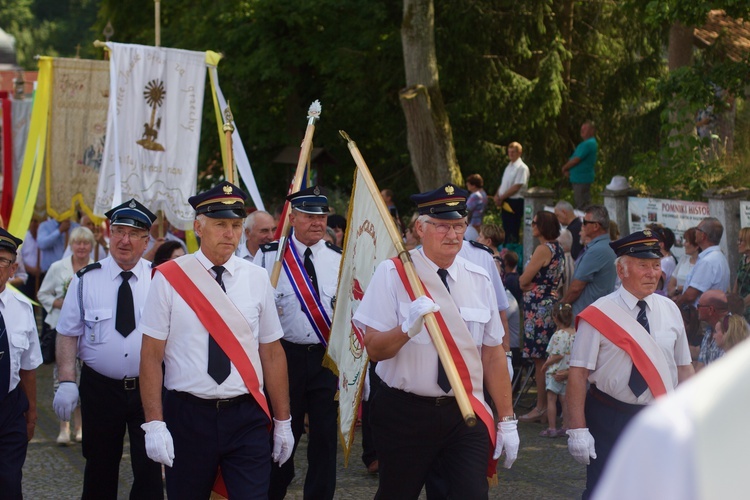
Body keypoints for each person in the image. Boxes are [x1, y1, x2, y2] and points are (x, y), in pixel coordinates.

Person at [353, 183, 519, 498]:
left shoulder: (479, 278)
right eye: (442, 226)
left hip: (463, 412)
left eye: (459, 225)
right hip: (405, 412)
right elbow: (373, 348)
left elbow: (493, 355)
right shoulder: (393, 274)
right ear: (420, 228)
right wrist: (407, 328)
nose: (453, 235)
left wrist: (507, 419)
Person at [138, 181, 292, 498]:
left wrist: (283, 420)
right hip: (187, 415)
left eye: (236, 225)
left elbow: (272, 353)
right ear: (198, 226)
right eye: (220, 224)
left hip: (246, 415)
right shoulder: (168, 278)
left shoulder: (257, 278)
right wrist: (154, 423)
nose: (230, 233)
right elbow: (151, 356)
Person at [566, 230, 694, 498]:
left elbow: (684, 368)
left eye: (656, 265)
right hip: (608, 416)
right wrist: (578, 429)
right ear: (621, 270)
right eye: (643, 265)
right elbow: (578, 375)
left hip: (658, 417)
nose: (652, 273)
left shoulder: (670, 309)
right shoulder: (598, 314)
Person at [53, 199, 163, 499]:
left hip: (149, 388)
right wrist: (66, 380)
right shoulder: (85, 280)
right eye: (118, 231)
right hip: (100, 388)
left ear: (146, 241)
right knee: (100, 466)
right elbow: (67, 334)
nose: (124, 240)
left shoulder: (160, 280)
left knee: (150, 467)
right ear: (108, 234)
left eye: (133, 234)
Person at [255, 186, 342, 500]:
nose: (318, 222)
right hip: (283, 356)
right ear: (292, 218)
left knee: (324, 437)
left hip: (324, 358)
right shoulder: (269, 257)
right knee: (281, 431)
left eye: (322, 216)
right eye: (309, 216)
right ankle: (273, 491)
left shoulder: (338, 260)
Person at [37, 226, 94, 445]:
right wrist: (61, 303)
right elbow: (43, 294)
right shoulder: (57, 267)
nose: (81, 247)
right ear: (71, 245)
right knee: (62, 378)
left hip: (89, 332)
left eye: (86, 243)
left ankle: (80, 427)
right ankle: (63, 427)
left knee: (84, 380)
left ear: (91, 246)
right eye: (77, 243)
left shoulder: (97, 268)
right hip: (62, 329)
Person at [0, 228, 42, 498]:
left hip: (10, 408)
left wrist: (33, 413)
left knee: (9, 483)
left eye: (2, 261)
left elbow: (27, 367)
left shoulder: (22, 308)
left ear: (13, 268)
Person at [518, 210, 564, 423]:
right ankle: (547, 407)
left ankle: (541, 408)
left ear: (542, 226)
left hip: (538, 308)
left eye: (535, 222)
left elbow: (523, 280)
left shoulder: (542, 249)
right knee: (546, 357)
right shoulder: (559, 249)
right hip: (550, 303)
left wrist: (530, 286)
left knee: (540, 360)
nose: (531, 225)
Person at [561, 205, 616, 318]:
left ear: (596, 226)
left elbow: (576, 288)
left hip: (586, 315)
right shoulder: (604, 246)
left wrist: (562, 306)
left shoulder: (597, 250)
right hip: (594, 313)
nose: (582, 225)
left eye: (585, 222)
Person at [675, 217, 730, 308]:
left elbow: (690, 295)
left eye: (697, 229)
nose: (695, 232)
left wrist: (676, 305)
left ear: (703, 236)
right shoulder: (718, 257)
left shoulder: (708, 261)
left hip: (701, 316)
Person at [539, 303, 575, 438]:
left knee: (551, 399)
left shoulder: (559, 335)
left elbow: (557, 354)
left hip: (555, 371)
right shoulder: (575, 333)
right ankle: (566, 426)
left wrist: (546, 364)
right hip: (567, 371)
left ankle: (552, 427)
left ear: (555, 318)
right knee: (564, 399)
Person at [494, 141, 529, 244]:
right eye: (509, 152)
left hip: (515, 201)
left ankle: (512, 251)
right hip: (505, 199)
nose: (511, 154)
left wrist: (502, 197)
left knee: (512, 228)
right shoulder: (509, 166)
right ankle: (506, 249)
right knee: (506, 227)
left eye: (513, 152)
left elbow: (517, 186)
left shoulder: (522, 167)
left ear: (519, 152)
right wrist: (497, 195)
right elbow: (504, 184)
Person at [561, 121, 598, 210]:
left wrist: (564, 168)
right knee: (581, 204)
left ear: (592, 131)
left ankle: (587, 223)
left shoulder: (588, 143)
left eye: (585, 129)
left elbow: (576, 160)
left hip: (582, 179)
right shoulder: (586, 143)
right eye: (581, 129)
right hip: (579, 179)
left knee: (582, 206)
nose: (582, 131)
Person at [694, 290, 729, 372]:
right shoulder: (709, 330)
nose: (696, 309)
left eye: (699, 306)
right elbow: (700, 366)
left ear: (710, 310)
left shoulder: (732, 331)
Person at [667, 227, 700, 297]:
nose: (684, 244)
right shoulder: (684, 259)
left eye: (687, 241)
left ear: (696, 246)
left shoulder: (703, 263)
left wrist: (680, 288)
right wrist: (676, 291)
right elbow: (671, 285)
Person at [732, 227, 750, 323]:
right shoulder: (742, 261)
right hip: (741, 311)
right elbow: (737, 283)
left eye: (741, 240)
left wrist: (740, 305)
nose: (738, 243)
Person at [465, 174, 488, 241]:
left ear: (474, 185)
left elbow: (466, 209)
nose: (467, 185)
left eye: (468, 184)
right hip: (479, 224)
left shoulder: (475, 196)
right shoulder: (484, 194)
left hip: (473, 225)